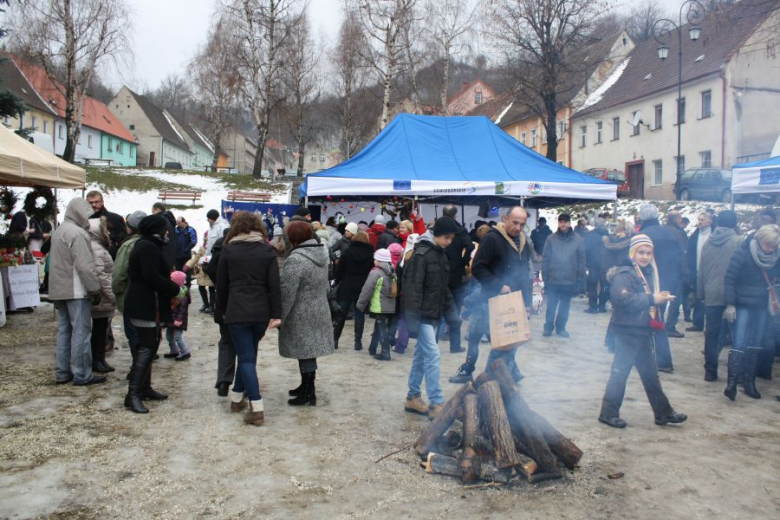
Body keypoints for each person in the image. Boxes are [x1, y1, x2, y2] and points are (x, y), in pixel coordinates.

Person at [597, 234, 687, 429]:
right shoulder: (625, 273)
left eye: (648, 253)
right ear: (633, 253)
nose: (645, 257)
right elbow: (622, 300)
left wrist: (657, 298)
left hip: (641, 329)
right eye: (641, 252)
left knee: (649, 374)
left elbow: (643, 296)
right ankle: (608, 413)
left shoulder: (646, 272)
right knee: (620, 372)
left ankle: (663, 413)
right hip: (627, 330)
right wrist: (652, 299)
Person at [450, 207, 533, 384]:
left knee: (509, 340)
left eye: (522, 224)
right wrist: (498, 285)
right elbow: (478, 268)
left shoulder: (524, 241)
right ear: (505, 219)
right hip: (487, 300)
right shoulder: (492, 238)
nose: (518, 228)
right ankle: (468, 370)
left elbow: (525, 274)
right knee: (474, 337)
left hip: (512, 302)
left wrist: (527, 303)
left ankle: (506, 375)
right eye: (515, 223)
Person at [217, 212, 281, 425]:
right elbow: (274, 285)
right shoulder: (267, 251)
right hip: (261, 311)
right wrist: (276, 313)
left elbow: (222, 286)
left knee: (245, 358)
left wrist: (220, 312)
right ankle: (236, 399)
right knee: (249, 355)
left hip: (236, 309)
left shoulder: (228, 251)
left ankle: (256, 406)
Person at [123, 215, 182, 413]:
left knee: (150, 345)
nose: (167, 233)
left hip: (148, 304)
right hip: (145, 305)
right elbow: (150, 276)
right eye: (165, 229)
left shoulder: (147, 244)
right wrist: (174, 288)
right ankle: (133, 395)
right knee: (147, 348)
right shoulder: (147, 246)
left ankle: (144, 388)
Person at [402, 217, 458, 418]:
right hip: (422, 316)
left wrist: (453, 315)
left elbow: (444, 288)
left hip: (433, 315)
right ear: (435, 234)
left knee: (421, 356)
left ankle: (412, 397)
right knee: (433, 355)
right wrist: (413, 320)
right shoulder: (421, 255)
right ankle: (436, 403)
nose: (449, 242)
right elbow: (412, 289)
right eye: (446, 237)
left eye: (451, 238)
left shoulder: (441, 255)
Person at [279, 221, 335, 406]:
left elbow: (287, 293)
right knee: (307, 352)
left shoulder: (296, 259)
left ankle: (309, 393)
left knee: (305, 352)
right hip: (318, 310)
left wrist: (280, 316)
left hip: (301, 313)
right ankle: (306, 386)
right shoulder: (320, 253)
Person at [50, 199, 105, 386]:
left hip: (60, 288)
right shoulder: (78, 233)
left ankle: (62, 372)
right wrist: (94, 289)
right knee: (81, 332)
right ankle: (82, 374)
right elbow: (84, 266)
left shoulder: (59, 231)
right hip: (76, 289)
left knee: (64, 331)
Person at [722, 224, 780, 401]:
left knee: (755, 344)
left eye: (774, 246)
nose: (770, 249)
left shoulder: (776, 257)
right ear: (760, 240)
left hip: (762, 305)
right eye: (768, 245)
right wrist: (730, 304)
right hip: (743, 304)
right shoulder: (743, 253)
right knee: (739, 343)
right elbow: (730, 279)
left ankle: (749, 382)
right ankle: (731, 384)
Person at [636, 203, 682, 371]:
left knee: (647, 320)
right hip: (667, 283)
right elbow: (679, 260)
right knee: (658, 320)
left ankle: (659, 361)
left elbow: (638, 262)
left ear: (642, 217)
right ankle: (661, 360)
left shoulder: (642, 236)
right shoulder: (670, 234)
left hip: (648, 283)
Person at [697, 210, 741, 382]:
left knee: (712, 333)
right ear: (734, 224)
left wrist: (701, 293)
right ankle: (736, 373)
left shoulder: (708, 242)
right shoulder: (738, 241)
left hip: (711, 294)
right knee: (737, 334)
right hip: (733, 295)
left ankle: (710, 370)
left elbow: (701, 270)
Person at [112, 211, 146, 374]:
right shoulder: (150, 242)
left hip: (130, 296)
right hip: (146, 299)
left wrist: (116, 290)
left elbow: (119, 273)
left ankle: (137, 370)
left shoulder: (128, 245)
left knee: (133, 334)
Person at [542, 214, 585, 338]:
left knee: (565, 306)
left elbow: (582, 260)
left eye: (565, 222)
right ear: (558, 223)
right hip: (553, 277)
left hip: (570, 278)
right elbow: (545, 258)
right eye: (561, 222)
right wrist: (545, 277)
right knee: (551, 305)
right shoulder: (551, 239)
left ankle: (561, 328)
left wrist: (580, 279)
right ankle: (548, 327)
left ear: (569, 223)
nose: (563, 224)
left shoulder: (578, 239)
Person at [439, 205, 475, 354]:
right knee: (456, 307)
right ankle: (454, 344)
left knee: (438, 306)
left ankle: (438, 337)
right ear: (455, 215)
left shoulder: (438, 229)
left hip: (440, 271)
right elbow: (470, 246)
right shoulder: (460, 230)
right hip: (455, 273)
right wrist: (463, 261)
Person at [205, 227, 235, 396]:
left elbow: (210, 269)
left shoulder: (219, 249)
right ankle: (244, 384)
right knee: (245, 346)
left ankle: (224, 380)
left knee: (226, 342)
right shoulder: (242, 250)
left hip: (222, 300)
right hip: (242, 301)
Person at [332, 231, 374, 350]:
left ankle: (335, 340)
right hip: (363, 286)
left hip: (347, 285)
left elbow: (338, 271)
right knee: (359, 315)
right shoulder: (371, 254)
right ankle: (358, 342)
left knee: (341, 314)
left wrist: (339, 280)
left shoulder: (347, 252)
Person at [356, 248, 397, 361]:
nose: (374, 261)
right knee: (379, 326)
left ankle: (385, 352)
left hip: (379, 305)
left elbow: (367, 290)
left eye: (375, 259)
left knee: (382, 328)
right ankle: (372, 348)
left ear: (379, 260)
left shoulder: (376, 273)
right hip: (389, 305)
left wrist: (360, 304)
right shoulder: (392, 272)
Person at [88, 218, 117, 374]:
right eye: (106, 229)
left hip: (102, 297)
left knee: (101, 330)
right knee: (99, 331)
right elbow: (100, 274)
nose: (109, 232)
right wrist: (111, 295)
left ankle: (100, 360)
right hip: (101, 297)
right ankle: (96, 360)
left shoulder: (98, 246)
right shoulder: (96, 249)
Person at [685, 212, 714, 333]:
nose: (700, 222)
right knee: (698, 298)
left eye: (702, 219)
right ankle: (698, 322)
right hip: (697, 271)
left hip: (711, 272)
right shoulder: (695, 236)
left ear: (709, 221)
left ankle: (711, 325)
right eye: (699, 219)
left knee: (712, 300)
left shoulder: (714, 235)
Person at [663, 211, 690, 337]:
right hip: (675, 271)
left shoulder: (663, 230)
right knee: (675, 299)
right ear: (676, 219)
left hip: (662, 270)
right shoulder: (678, 233)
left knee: (661, 298)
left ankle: (658, 324)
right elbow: (682, 254)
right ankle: (670, 326)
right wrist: (685, 271)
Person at [86, 190, 127, 259]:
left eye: (96, 202)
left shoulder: (115, 218)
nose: (94, 205)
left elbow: (123, 237)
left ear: (102, 202)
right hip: (87, 256)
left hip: (109, 257)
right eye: (91, 202)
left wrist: (109, 237)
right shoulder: (83, 219)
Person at [163, 271, 191, 361]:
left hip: (178, 320)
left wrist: (179, 319)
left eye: (172, 280)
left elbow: (183, 309)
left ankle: (185, 351)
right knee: (169, 336)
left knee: (178, 336)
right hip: (171, 319)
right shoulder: (173, 291)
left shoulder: (182, 293)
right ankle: (174, 350)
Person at [584, 218, 610, 313]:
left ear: (594, 225)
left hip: (592, 263)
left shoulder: (589, 235)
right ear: (604, 225)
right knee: (605, 285)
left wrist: (586, 262)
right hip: (606, 264)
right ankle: (602, 306)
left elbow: (585, 249)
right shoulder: (608, 235)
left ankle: (593, 307)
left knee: (592, 285)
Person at [186, 235, 217, 314]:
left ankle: (211, 305)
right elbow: (196, 257)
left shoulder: (215, 247)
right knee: (201, 287)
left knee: (211, 288)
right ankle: (205, 304)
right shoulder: (202, 248)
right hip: (202, 271)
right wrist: (188, 265)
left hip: (211, 270)